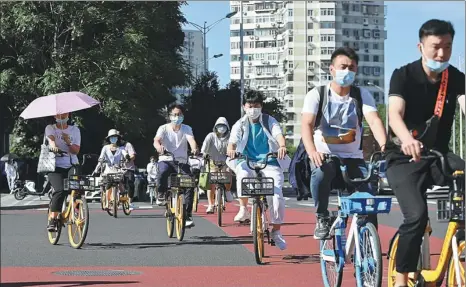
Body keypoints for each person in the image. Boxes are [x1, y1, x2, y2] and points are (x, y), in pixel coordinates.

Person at [385, 19, 465, 287]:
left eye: (447, 47)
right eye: (435, 47)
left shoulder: (456, 78)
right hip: (403, 158)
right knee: (416, 215)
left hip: (438, 157)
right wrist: (406, 139)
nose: (441, 54)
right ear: (421, 47)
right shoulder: (403, 75)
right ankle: (401, 277)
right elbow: (395, 114)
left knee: (463, 173)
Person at [301, 47, 387, 240]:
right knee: (322, 173)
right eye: (343, 66)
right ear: (332, 69)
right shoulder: (317, 94)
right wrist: (312, 151)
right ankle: (322, 216)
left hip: (354, 158)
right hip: (325, 156)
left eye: (352, 67)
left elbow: (374, 121)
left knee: (368, 201)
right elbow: (306, 124)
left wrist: (385, 147)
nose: (347, 71)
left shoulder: (361, 94)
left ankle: (368, 245)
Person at [226, 91, 290, 251]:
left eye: (256, 106)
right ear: (244, 107)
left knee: (276, 196)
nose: (253, 109)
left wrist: (282, 146)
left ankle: (276, 231)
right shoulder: (240, 124)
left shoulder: (270, 121)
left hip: (270, 161)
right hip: (246, 160)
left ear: (261, 107)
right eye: (250, 106)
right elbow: (232, 142)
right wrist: (231, 150)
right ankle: (243, 209)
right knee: (243, 175)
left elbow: (279, 135)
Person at [153, 104, 199, 227]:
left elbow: (191, 140)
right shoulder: (163, 128)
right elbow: (156, 140)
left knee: (190, 183)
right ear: (170, 116)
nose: (177, 117)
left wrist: (194, 148)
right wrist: (159, 147)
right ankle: (161, 194)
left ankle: (188, 214)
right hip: (166, 159)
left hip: (182, 161)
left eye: (179, 114)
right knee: (163, 172)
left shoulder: (187, 128)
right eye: (174, 114)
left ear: (183, 116)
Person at [46, 113, 81, 232]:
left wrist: (68, 142)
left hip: (71, 164)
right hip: (54, 166)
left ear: (68, 115)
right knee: (60, 190)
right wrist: (54, 146)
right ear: (55, 116)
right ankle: (53, 218)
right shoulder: (50, 128)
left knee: (76, 189)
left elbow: (76, 151)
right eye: (59, 115)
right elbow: (51, 141)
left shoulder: (75, 130)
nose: (61, 117)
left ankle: (76, 210)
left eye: (64, 114)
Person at [94, 129, 136, 210]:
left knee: (120, 182)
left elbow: (125, 153)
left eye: (115, 137)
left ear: (118, 138)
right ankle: (107, 203)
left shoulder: (121, 148)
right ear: (109, 139)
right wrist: (97, 168)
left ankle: (123, 196)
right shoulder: (105, 148)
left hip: (118, 170)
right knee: (108, 185)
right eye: (112, 137)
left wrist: (127, 157)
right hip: (108, 170)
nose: (113, 139)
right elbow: (101, 158)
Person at [201, 117, 234, 213]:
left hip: (226, 161)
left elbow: (235, 147)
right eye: (219, 126)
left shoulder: (231, 137)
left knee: (227, 174)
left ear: (227, 127)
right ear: (215, 127)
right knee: (211, 183)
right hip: (212, 161)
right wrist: (204, 154)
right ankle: (211, 204)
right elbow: (204, 148)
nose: (221, 128)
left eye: (223, 126)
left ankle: (227, 191)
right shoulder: (211, 136)